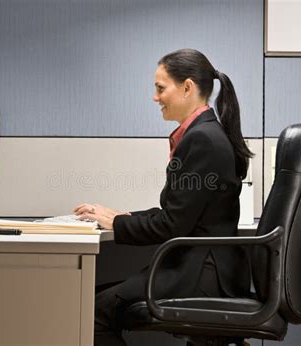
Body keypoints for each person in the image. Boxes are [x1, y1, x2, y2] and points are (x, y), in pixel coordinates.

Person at [74, 48, 253, 346]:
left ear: (187, 88)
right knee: (88, 299)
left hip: (200, 275)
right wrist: (122, 217)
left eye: (160, 88)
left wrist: (116, 223)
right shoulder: (205, 133)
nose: (155, 97)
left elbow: (172, 225)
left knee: (89, 311)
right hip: (204, 268)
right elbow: (179, 212)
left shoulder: (203, 139)